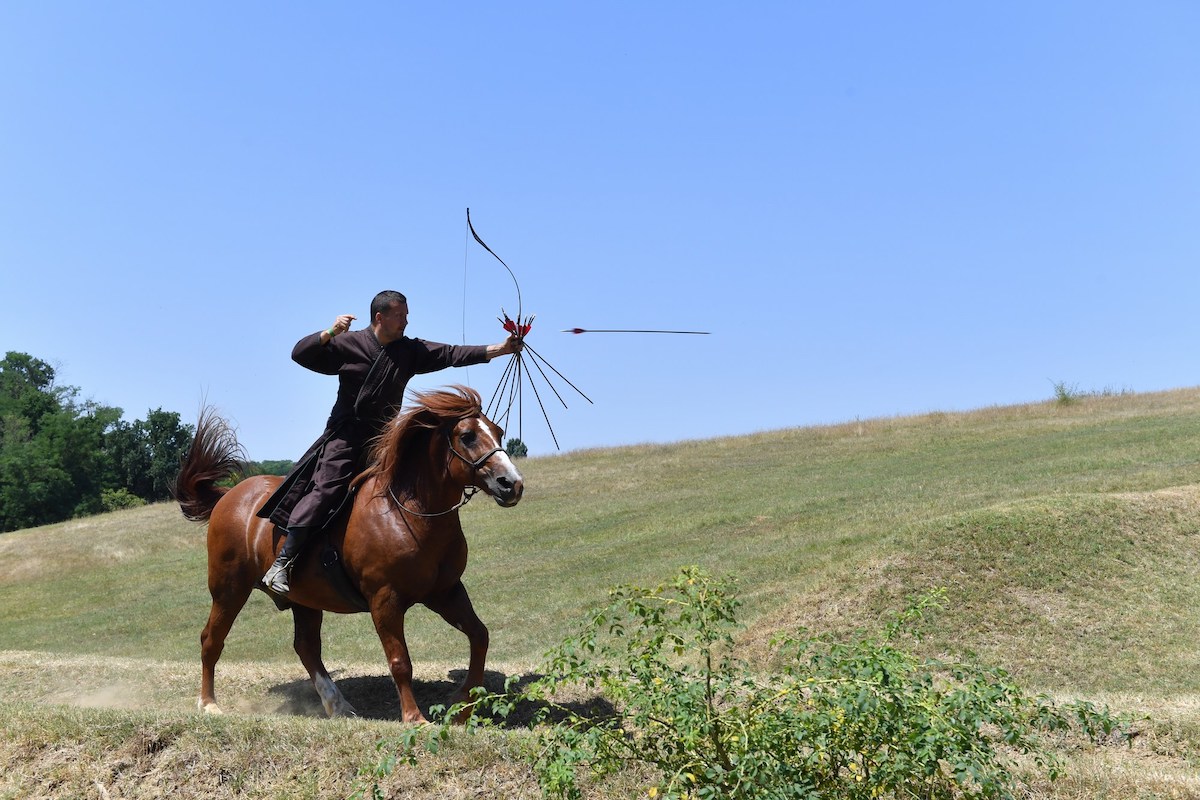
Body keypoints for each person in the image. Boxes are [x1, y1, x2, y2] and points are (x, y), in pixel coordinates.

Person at [257, 289, 521, 595]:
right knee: (327, 488)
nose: (406, 322)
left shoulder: (409, 351)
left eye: (407, 315)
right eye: (400, 316)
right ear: (380, 317)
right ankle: (283, 562)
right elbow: (300, 353)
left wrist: (500, 349)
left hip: (384, 439)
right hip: (346, 437)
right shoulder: (348, 343)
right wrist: (330, 332)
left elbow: (451, 354)